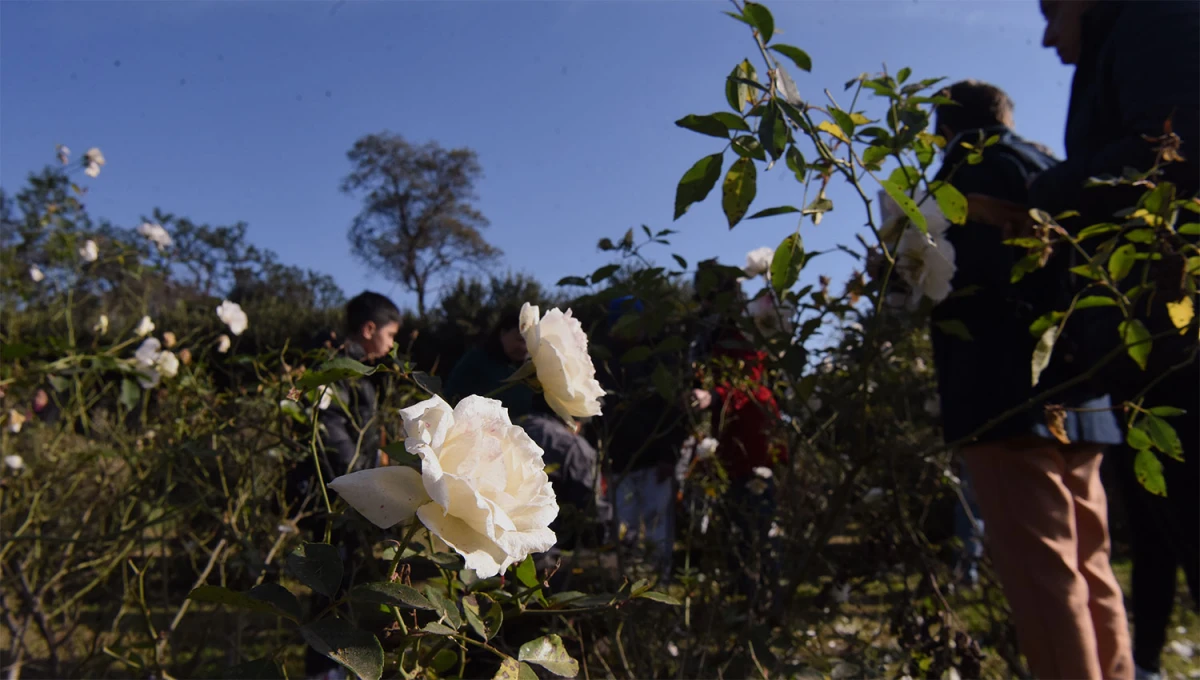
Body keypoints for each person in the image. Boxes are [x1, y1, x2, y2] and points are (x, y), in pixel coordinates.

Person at [930, 80, 1130, 680]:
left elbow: (962, 284)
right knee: (1093, 568)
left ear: (944, 127)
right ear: (1004, 116)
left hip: (1005, 398)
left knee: (1045, 581)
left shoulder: (960, 178)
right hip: (1082, 393)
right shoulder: (1052, 163)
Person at [1028, 3, 1200, 678]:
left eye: (1051, 12)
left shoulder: (1154, 22)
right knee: (1161, 530)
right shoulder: (1124, 44)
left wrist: (1050, 189)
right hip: (1151, 348)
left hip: (1176, 341)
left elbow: (1175, 145)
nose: (1046, 36)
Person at [293, 290, 401, 680]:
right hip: (334, 501)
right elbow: (333, 437)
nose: (392, 346)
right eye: (390, 335)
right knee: (331, 592)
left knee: (342, 589)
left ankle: (335, 667)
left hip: (348, 495)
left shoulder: (357, 371)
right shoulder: (337, 371)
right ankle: (325, 672)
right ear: (369, 329)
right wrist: (368, 480)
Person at [688, 261, 787, 607]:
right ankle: (743, 595)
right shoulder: (710, 328)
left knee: (757, 519)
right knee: (736, 520)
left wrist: (714, 395)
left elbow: (750, 380)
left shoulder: (742, 325)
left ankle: (762, 598)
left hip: (751, 429)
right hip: (729, 435)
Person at [593, 296, 688, 581]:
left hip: (655, 462)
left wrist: (670, 456)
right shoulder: (605, 362)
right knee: (624, 528)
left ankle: (659, 581)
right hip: (620, 462)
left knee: (658, 526)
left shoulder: (660, 359)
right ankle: (628, 584)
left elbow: (675, 410)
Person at [444, 307, 536, 418]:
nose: (524, 348)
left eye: (528, 344)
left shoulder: (527, 375)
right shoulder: (477, 359)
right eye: (519, 340)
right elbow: (451, 395)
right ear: (503, 333)